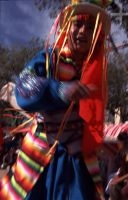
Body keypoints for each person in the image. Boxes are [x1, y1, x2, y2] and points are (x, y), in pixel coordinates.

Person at [0, 0, 111, 199]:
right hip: (42, 155)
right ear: (67, 27)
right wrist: (59, 90)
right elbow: (24, 87)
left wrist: (102, 143)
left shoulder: (96, 74)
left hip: (77, 162)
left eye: (90, 27)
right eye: (78, 24)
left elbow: (92, 121)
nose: (83, 32)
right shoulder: (50, 58)